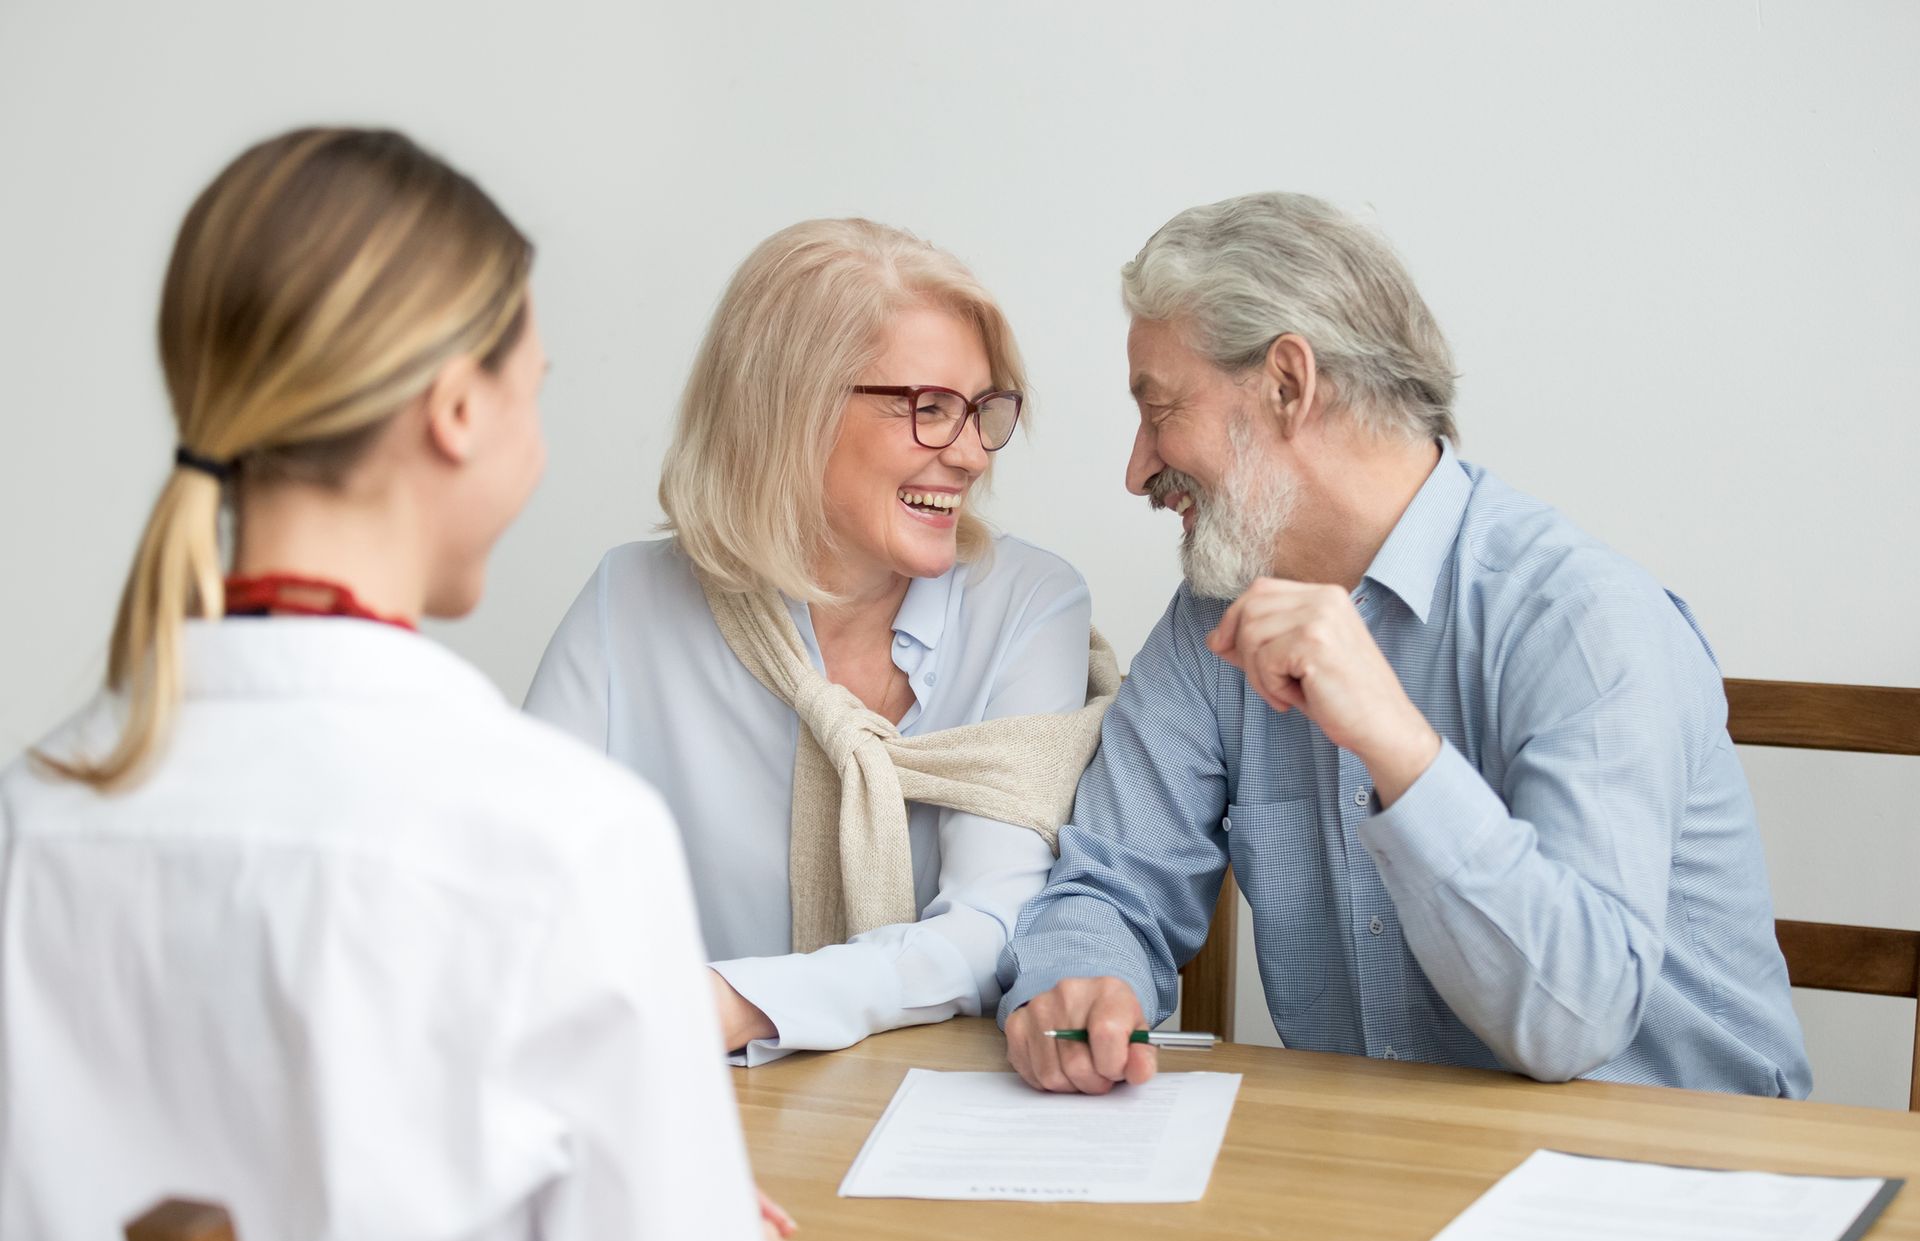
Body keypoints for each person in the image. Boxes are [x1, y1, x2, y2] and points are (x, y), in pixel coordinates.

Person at [0, 127, 790, 1241]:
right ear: (456, 410)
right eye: (534, 392)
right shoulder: (562, 839)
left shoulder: (34, 813)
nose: (538, 439)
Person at [997, 192, 1811, 1100]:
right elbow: (1108, 890)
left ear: (1288, 386)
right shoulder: (1211, 624)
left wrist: (1396, 744)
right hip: (1389, 1176)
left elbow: (1573, 1020)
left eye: (1159, 409)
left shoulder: (1580, 619)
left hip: (1684, 1176)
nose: (1137, 467)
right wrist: (1083, 986)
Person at [526, 218, 1116, 1066]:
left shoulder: (1028, 604)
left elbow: (993, 927)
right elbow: (523, 891)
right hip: (685, 1104)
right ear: (791, 409)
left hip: (939, 1110)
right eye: (929, 409)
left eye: (982, 410)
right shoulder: (631, 602)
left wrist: (738, 1003)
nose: (969, 455)